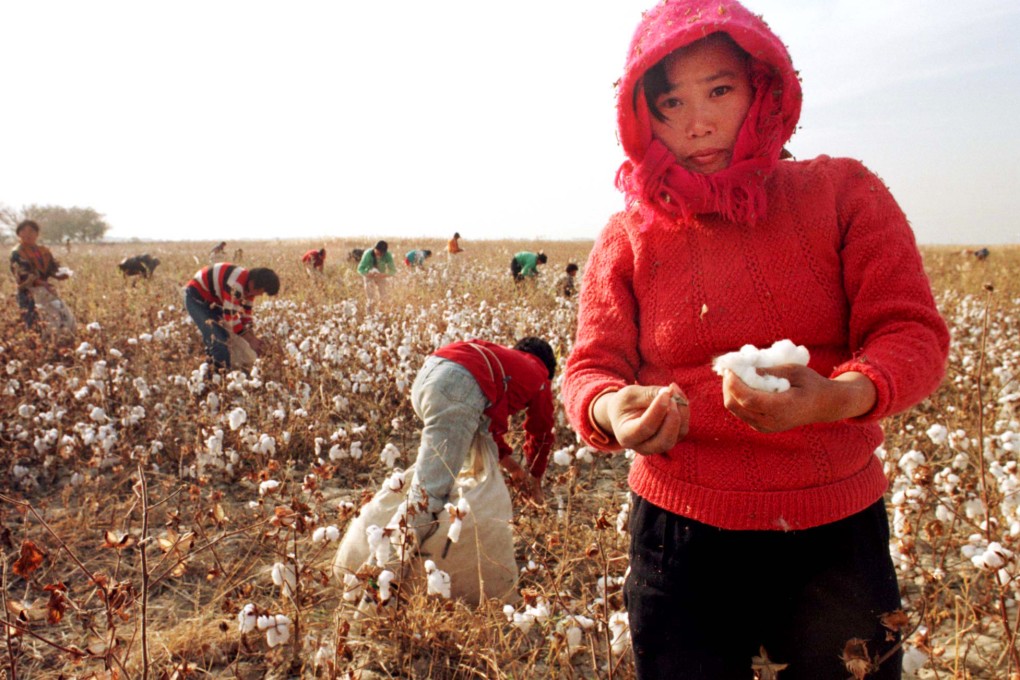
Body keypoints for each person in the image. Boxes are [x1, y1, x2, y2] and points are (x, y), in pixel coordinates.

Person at [560, 2, 950, 678]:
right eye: (671, 103)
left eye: (720, 90)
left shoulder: (843, 193)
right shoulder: (629, 237)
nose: (698, 122)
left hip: (834, 536)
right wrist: (610, 409)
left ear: (764, 90)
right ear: (641, 117)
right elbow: (593, 367)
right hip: (679, 542)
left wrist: (836, 397)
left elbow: (909, 332)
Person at [407, 337, 556, 542]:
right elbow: (542, 432)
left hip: (427, 376)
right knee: (428, 495)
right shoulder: (539, 373)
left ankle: (431, 546)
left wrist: (514, 469)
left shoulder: (500, 360)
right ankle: (392, 563)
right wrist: (535, 480)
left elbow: (484, 435)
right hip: (458, 386)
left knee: (449, 475)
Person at [184, 263, 279, 370]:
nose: (261, 294)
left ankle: (212, 369)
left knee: (223, 339)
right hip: (196, 299)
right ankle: (217, 377)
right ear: (253, 284)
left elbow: (245, 315)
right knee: (219, 341)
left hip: (213, 301)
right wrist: (250, 341)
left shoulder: (249, 288)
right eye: (262, 291)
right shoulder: (236, 285)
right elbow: (231, 317)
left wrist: (253, 337)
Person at [9, 220, 70, 330]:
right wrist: (40, 282)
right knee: (32, 322)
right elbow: (22, 274)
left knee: (57, 318)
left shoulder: (43, 251)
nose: (27, 234)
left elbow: (53, 267)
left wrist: (61, 275)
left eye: (31, 231)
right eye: (23, 231)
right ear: (18, 234)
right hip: (27, 292)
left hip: (45, 290)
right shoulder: (17, 253)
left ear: (37, 234)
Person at [357, 240, 396, 308]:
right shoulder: (367, 254)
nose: (379, 255)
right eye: (377, 253)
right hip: (369, 275)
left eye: (381, 254)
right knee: (371, 297)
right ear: (374, 249)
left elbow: (393, 271)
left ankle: (383, 309)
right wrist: (367, 274)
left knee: (384, 295)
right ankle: (370, 311)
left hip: (381, 275)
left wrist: (384, 275)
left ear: (384, 252)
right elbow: (360, 269)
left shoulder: (388, 255)